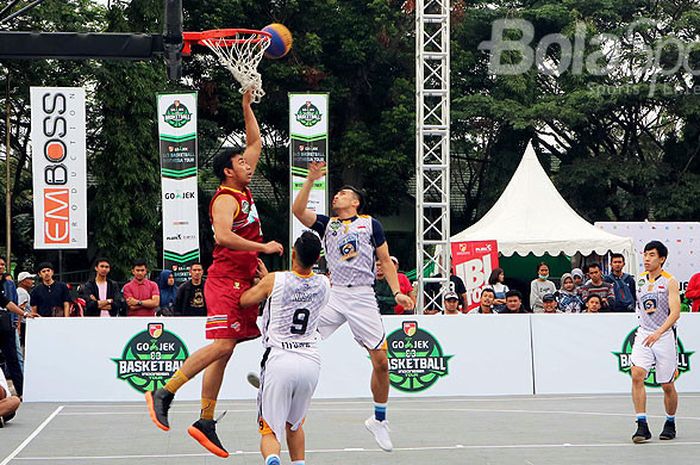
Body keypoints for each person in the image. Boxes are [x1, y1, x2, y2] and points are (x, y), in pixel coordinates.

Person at [145, 90, 284, 458]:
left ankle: (205, 420)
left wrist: (246, 106)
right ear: (228, 169)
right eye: (241, 162)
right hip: (223, 280)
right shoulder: (225, 198)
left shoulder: (245, 186)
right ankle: (166, 391)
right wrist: (263, 249)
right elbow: (223, 236)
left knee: (226, 351)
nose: (248, 164)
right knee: (222, 345)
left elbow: (254, 141)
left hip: (242, 277)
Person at [292, 160, 414, 452]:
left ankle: (379, 420)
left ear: (355, 201)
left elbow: (385, 260)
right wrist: (309, 180)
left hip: (362, 295)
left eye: (343, 194)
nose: (337, 197)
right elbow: (298, 211)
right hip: (334, 294)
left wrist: (397, 291)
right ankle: (275, 377)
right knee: (299, 333)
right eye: (336, 195)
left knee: (381, 362)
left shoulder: (370, 224)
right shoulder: (327, 224)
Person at [238, 231, 330, 465]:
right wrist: (272, 283)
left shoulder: (274, 281)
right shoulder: (324, 283)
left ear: (293, 253)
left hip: (280, 358)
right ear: (318, 258)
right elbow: (299, 290)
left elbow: (245, 300)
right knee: (295, 425)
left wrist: (262, 284)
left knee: (269, 430)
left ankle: (272, 461)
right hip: (310, 361)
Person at [630, 241, 681, 443]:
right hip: (644, 333)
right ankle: (641, 424)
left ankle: (670, 422)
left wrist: (659, 332)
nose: (647, 259)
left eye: (652, 255)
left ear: (662, 258)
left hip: (664, 335)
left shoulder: (670, 281)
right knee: (637, 374)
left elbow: (675, 312)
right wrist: (647, 330)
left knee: (667, 384)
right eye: (645, 255)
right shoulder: (640, 280)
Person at [0, 283, 35, 398]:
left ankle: (21, 391)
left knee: (13, 359)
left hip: (4, 327)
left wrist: (24, 314)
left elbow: (8, 303)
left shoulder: (7, 285)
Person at [15, 272, 34, 347]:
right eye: (29, 279)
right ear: (22, 281)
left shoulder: (22, 292)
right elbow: (20, 308)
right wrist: (19, 326)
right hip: (23, 323)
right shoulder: (22, 292)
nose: (32, 281)